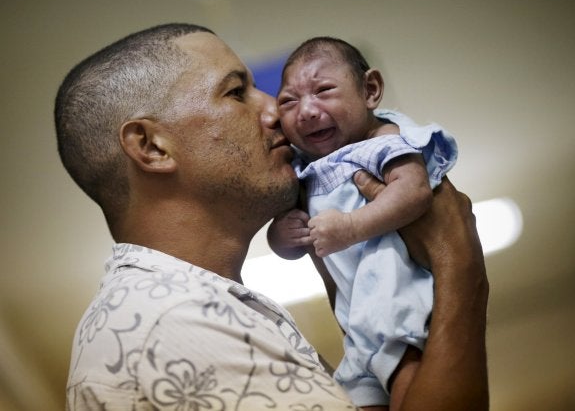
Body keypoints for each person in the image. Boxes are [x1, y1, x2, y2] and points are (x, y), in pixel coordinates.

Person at [55, 23, 488, 411]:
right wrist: (459, 266)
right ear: (151, 146)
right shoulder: (173, 321)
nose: (275, 111)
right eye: (237, 92)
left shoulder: (186, 309)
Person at [267, 37, 458, 409]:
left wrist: (352, 227)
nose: (306, 110)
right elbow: (289, 248)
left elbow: (414, 192)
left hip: (396, 300)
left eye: (323, 91)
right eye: (288, 101)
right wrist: (282, 235)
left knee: (409, 383)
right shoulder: (301, 169)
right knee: (359, 396)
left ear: (370, 90)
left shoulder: (382, 141)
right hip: (357, 325)